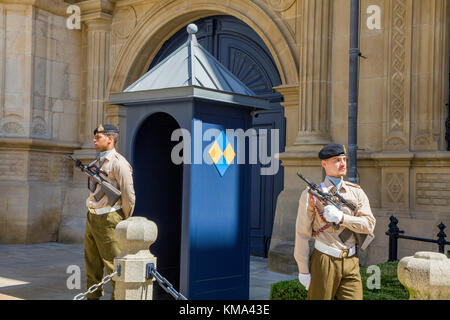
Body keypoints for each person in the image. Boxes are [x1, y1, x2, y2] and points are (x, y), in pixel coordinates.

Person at [294, 143, 376, 300]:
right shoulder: (311, 195)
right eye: (337, 160)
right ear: (324, 164)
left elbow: (369, 224)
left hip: (351, 260)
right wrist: (303, 270)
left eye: (344, 159)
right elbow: (302, 234)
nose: (343, 163)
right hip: (325, 259)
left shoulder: (356, 192)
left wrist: (342, 218)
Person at [84, 124, 135, 300]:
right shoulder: (96, 162)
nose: (94, 140)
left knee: (113, 266)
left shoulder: (119, 163)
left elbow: (128, 194)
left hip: (109, 217)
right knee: (92, 264)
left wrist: (121, 218)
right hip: (92, 216)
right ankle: (92, 297)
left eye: (98, 137)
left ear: (110, 139)